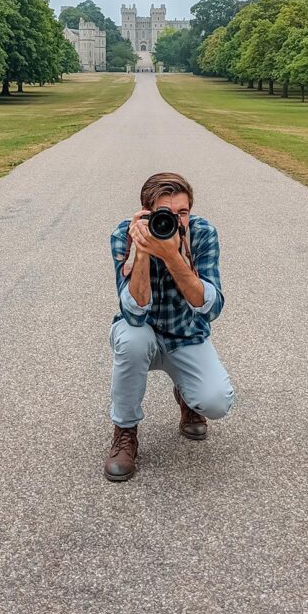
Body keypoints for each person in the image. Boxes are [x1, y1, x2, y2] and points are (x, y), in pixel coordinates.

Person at [104, 172, 234, 481]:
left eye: (183, 213)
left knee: (217, 402)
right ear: (147, 212)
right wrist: (144, 252)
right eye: (166, 214)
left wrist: (173, 256)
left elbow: (211, 307)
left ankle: (188, 397)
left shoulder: (202, 233)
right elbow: (134, 314)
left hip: (186, 335)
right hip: (143, 332)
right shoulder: (125, 235)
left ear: (191, 211)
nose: (175, 221)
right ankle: (125, 431)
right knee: (132, 338)